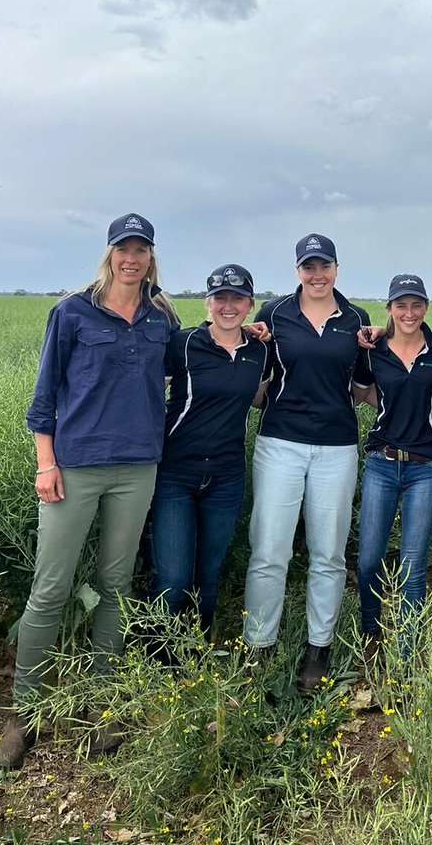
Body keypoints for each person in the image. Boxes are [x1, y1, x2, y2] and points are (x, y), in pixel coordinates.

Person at [0, 214, 178, 770]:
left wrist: (252, 336)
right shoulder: (72, 311)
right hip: (74, 469)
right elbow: (45, 395)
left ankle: (100, 706)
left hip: (137, 468)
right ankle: (24, 712)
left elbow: (181, 370)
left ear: (150, 257)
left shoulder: (160, 317)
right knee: (52, 586)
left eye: (141, 249)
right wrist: (45, 463)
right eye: (124, 247)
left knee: (115, 585)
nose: (132, 257)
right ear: (110, 252)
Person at [242, 233, 371, 690]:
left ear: (337, 268)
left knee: (329, 554)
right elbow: (256, 380)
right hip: (279, 443)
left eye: (325, 266)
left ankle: (319, 649)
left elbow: (361, 389)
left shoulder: (356, 318)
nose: (317, 275)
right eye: (308, 267)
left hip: (337, 447)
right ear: (297, 270)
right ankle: (259, 647)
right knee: (270, 550)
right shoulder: (273, 315)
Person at [148, 264, 269, 640]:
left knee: (209, 572)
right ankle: (160, 657)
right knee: (172, 577)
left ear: (250, 305)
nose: (228, 306)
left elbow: (261, 398)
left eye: (237, 299)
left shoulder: (260, 352)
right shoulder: (182, 344)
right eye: (220, 298)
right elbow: (148, 393)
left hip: (226, 477)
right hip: (176, 474)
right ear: (208, 303)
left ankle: (198, 653)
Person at [355, 275, 432, 652]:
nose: (409, 312)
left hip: (426, 467)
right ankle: (370, 630)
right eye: (401, 305)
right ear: (389, 309)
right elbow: (360, 394)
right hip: (382, 463)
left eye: (416, 304)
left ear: (425, 307)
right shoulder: (372, 351)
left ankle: (407, 648)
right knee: (369, 559)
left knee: (412, 564)